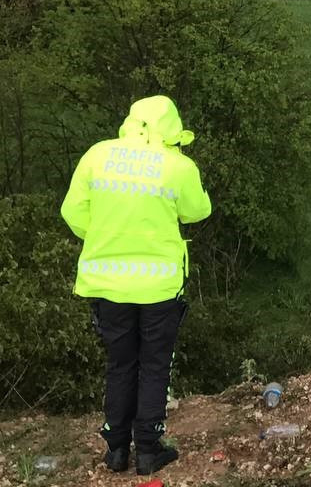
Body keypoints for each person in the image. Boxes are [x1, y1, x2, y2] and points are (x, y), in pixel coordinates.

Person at [59, 95, 212, 477]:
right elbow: (198, 211)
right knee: (154, 364)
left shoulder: (97, 155)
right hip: (159, 286)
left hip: (107, 282)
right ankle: (148, 450)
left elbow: (71, 212)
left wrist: (105, 236)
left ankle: (115, 450)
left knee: (120, 363)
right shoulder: (177, 165)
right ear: (171, 130)